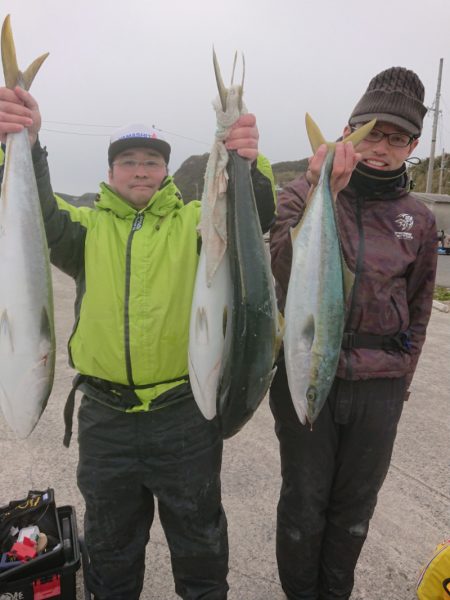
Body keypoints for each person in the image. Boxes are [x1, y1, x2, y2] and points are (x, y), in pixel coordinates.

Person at [0, 85, 276, 600]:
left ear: (166, 171)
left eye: (152, 161)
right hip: (106, 421)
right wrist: (26, 143)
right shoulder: (84, 228)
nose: (141, 170)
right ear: (110, 173)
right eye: (129, 161)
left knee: (200, 543)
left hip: (185, 414)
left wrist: (246, 162)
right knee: (109, 548)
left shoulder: (195, 223)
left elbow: (253, 218)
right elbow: (32, 213)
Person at [269, 66, 438, 600]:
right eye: (371, 131)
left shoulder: (419, 219)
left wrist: (401, 385)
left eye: (396, 137)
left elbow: (419, 309)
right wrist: (316, 180)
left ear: (412, 146)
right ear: (349, 131)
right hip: (306, 369)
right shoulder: (309, 194)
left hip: (379, 387)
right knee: (303, 504)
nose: (381, 147)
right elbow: (277, 265)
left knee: (353, 512)